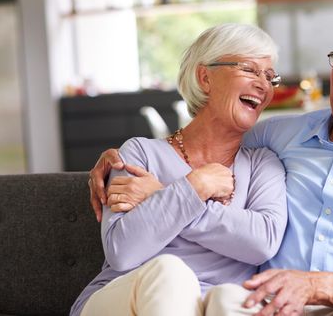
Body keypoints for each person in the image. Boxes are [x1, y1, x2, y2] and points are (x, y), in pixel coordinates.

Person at [88, 7, 333, 316]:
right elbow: (214, 135)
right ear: (205, 77)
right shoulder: (280, 136)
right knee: (224, 297)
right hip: (269, 305)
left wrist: (316, 285)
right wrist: (113, 159)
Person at [70, 23, 288, 316]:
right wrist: (195, 186)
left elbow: (261, 242)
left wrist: (162, 195)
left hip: (214, 306)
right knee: (171, 272)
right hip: (125, 300)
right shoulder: (139, 154)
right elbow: (123, 251)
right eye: (249, 69)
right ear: (205, 77)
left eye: (270, 76)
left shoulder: (263, 164)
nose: (263, 84)